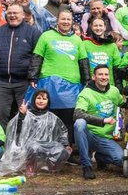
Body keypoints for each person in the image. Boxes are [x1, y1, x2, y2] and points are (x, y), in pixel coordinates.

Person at [28, 9, 89, 143]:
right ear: (57, 20)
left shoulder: (77, 40)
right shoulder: (46, 36)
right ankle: (48, 148)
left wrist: (87, 81)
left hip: (72, 85)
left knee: (68, 119)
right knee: (50, 117)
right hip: (49, 82)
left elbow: (83, 62)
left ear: (72, 22)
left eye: (68, 19)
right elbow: (37, 57)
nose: (66, 22)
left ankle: (67, 150)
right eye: (63, 19)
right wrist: (33, 76)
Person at [0, 3, 42, 130]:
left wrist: (34, 77)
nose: (12, 16)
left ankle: (23, 145)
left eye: (15, 13)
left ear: (23, 15)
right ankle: (2, 144)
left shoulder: (33, 33)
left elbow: (38, 57)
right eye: (9, 13)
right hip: (2, 82)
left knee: (25, 115)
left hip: (24, 82)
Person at [0, 89, 71, 177]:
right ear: (34, 100)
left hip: (47, 145)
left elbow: (62, 132)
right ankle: (31, 166)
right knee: (33, 146)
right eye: (39, 98)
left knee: (62, 150)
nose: (41, 101)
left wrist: (65, 144)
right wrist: (22, 115)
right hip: (30, 146)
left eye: (44, 99)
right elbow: (17, 131)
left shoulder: (52, 117)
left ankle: (51, 166)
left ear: (48, 101)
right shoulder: (28, 115)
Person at [74, 64, 126, 179]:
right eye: (100, 74)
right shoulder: (86, 93)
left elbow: (124, 104)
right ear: (94, 77)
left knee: (122, 160)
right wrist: (102, 120)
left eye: (106, 74)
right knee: (79, 123)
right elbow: (77, 114)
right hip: (89, 135)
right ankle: (86, 166)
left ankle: (100, 157)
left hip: (105, 138)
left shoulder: (114, 91)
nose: (104, 77)